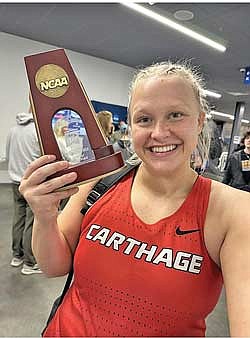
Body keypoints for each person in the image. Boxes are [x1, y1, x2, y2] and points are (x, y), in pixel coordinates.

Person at [19, 61, 250, 336]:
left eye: (176, 115)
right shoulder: (101, 182)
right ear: (130, 126)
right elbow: (53, 266)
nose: (159, 132)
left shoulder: (232, 211)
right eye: (144, 119)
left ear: (199, 121)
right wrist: (44, 215)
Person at [6, 109, 42, 275]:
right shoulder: (38, 131)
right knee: (31, 222)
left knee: (18, 218)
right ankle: (29, 262)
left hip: (14, 181)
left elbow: (8, 155)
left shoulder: (13, 130)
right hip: (32, 183)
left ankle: (17, 256)